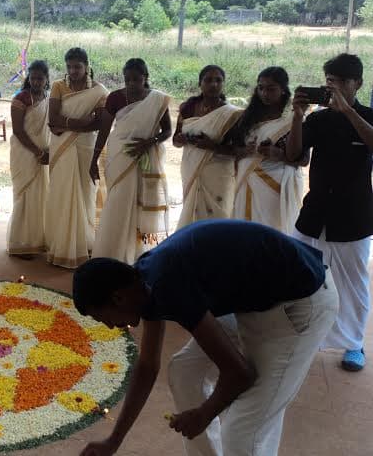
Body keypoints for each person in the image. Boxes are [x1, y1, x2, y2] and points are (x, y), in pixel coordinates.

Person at [74, 220, 338, 456]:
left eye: (102, 317)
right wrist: (114, 441)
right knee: (184, 371)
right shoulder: (142, 283)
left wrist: (204, 414)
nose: (109, 327)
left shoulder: (168, 284)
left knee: (244, 431)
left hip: (301, 304)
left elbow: (239, 374)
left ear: (117, 297)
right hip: (255, 303)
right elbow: (147, 367)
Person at [286, 53, 373, 372]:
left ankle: (353, 344)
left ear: (357, 84)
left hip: (354, 217)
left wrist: (348, 112)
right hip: (314, 214)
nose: (332, 88)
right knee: (302, 279)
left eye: (339, 82)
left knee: (353, 284)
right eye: (328, 82)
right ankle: (306, 339)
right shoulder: (318, 120)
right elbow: (294, 153)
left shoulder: (367, 115)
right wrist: (297, 115)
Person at [90, 58, 171, 264]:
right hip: (120, 155)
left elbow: (167, 131)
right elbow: (104, 130)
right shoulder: (115, 98)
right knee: (118, 200)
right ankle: (111, 252)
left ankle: (138, 254)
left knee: (140, 202)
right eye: (127, 79)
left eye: (137, 79)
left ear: (146, 78)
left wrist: (149, 142)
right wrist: (93, 159)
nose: (132, 84)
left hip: (146, 155)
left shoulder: (157, 99)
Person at [46, 47, 108, 268]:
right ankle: (60, 244)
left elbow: (100, 124)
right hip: (61, 147)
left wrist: (69, 126)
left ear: (86, 66)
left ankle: (81, 242)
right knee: (62, 192)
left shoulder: (100, 92)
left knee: (83, 191)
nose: (73, 71)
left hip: (84, 146)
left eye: (77, 67)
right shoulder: (58, 86)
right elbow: (52, 119)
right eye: (70, 67)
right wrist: (80, 123)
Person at [226, 67, 304, 233]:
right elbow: (233, 148)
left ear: (283, 90)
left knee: (270, 233)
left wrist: (279, 155)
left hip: (274, 185)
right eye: (261, 88)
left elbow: (304, 159)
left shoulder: (292, 117)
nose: (265, 93)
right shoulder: (248, 116)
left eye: (271, 89)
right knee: (243, 232)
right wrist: (245, 151)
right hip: (246, 179)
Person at [173, 65, 241, 229]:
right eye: (208, 80)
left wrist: (212, 146)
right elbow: (175, 140)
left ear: (223, 84)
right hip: (191, 168)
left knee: (218, 217)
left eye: (218, 80)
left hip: (219, 173)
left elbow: (238, 150)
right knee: (192, 211)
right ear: (200, 83)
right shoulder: (187, 108)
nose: (213, 84)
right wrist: (182, 139)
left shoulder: (231, 114)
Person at [7, 59, 51, 257]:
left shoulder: (49, 98)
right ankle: (20, 243)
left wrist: (46, 152)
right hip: (25, 152)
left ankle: (37, 240)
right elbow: (18, 131)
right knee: (25, 195)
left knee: (40, 196)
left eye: (40, 78)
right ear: (28, 78)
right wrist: (38, 152)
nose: (36, 82)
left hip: (43, 152)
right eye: (33, 78)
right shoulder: (21, 98)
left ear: (46, 79)